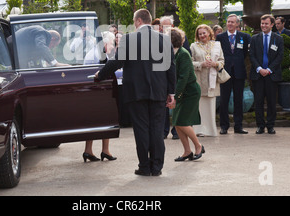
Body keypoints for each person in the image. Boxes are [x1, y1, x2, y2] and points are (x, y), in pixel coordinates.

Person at [95, 9, 176, 176]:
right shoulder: (164, 39)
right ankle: (157, 167)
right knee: (157, 129)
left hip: (136, 91)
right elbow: (171, 67)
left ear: (138, 21)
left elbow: (118, 61)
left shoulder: (129, 39)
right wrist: (171, 92)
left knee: (141, 129)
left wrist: (100, 74)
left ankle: (144, 166)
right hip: (159, 91)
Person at [169, 28, 204, 161]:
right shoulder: (173, 53)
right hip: (181, 91)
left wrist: (175, 97)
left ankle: (198, 146)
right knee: (177, 123)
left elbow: (183, 78)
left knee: (182, 122)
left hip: (190, 92)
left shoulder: (183, 53)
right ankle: (187, 151)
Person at [83, 31, 117, 162]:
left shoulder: (93, 52)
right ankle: (105, 150)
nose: (113, 46)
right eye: (112, 43)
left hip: (92, 91)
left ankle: (89, 150)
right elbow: (104, 73)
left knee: (93, 121)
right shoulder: (99, 54)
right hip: (99, 92)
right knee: (106, 120)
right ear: (104, 43)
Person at [216, 14, 251, 134]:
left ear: (237, 24)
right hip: (225, 72)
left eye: (232, 22)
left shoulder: (244, 37)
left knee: (238, 100)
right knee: (224, 100)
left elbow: (245, 53)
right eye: (228, 22)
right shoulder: (220, 37)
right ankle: (224, 126)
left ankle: (238, 126)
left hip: (239, 72)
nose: (230, 24)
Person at [249, 14, 284, 135]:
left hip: (272, 75)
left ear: (272, 25)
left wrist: (269, 69)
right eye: (262, 23)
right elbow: (252, 55)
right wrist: (259, 68)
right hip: (258, 75)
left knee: (271, 101)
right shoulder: (254, 38)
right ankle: (260, 126)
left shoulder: (278, 39)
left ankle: (270, 125)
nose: (263, 26)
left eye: (266, 24)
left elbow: (280, 56)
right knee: (258, 102)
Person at [191, 24, 224, 137]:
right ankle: (199, 130)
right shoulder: (193, 46)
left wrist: (215, 64)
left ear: (209, 33)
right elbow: (190, 62)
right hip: (199, 80)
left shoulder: (217, 45)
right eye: (200, 34)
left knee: (210, 107)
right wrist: (201, 64)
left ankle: (210, 130)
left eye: (204, 33)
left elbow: (222, 61)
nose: (202, 35)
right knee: (199, 107)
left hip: (212, 81)